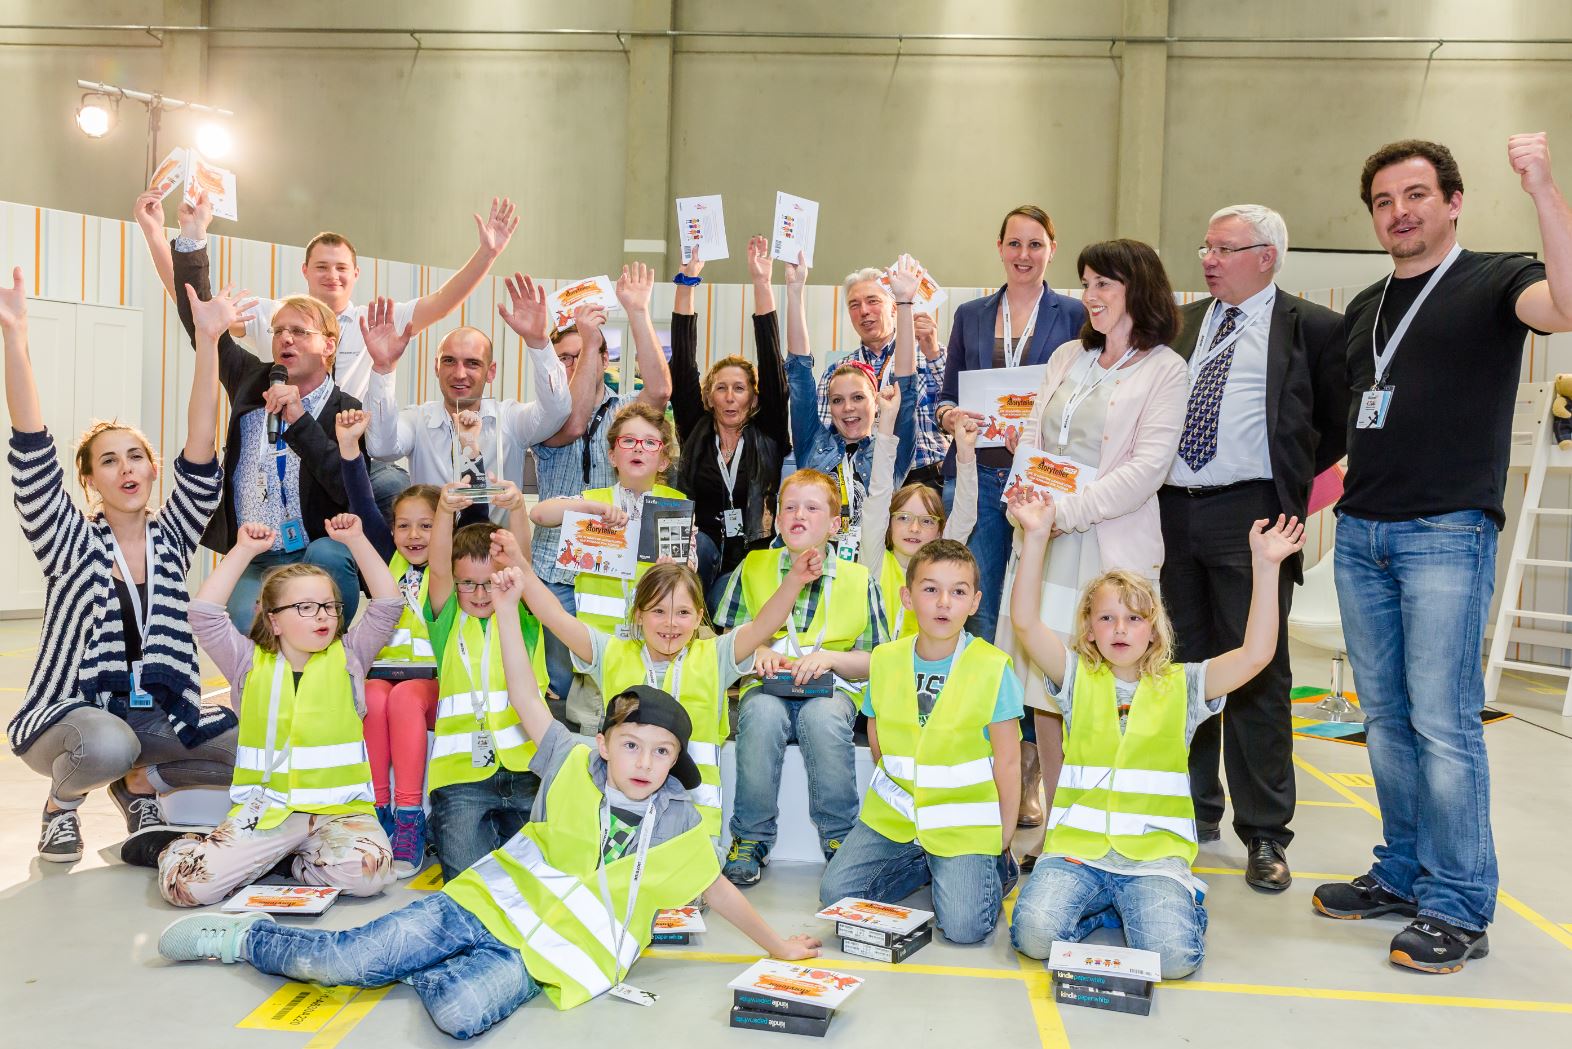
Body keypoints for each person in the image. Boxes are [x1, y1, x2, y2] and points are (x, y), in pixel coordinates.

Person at [157, 574, 822, 1041]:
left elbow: (717, 888)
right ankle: (242, 938)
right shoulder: (571, 763)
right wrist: (507, 611)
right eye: (631, 744)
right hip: (485, 904)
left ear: (675, 762)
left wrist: (779, 946)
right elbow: (527, 697)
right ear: (603, 743)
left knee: (459, 1014)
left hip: (540, 958)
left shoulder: (677, 822)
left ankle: (416, 959)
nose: (644, 762)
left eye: (661, 752)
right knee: (343, 963)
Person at [1312, 134, 1572, 974]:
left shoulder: (1497, 279)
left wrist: (1542, 187)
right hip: (1362, 534)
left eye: (1416, 195)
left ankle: (1458, 904)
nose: (1399, 212)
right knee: (1385, 720)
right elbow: (1353, 422)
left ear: (1454, 202)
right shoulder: (1366, 306)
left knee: (1443, 722)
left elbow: (1567, 306)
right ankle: (1403, 871)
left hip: (1446, 534)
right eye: (1384, 201)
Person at [1007, 494, 1304, 978]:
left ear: (1154, 630)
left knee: (1174, 959)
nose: (1120, 629)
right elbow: (1025, 622)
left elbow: (1255, 655)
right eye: (1107, 618)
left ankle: (1161, 905)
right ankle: (1108, 913)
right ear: (1089, 630)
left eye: (1134, 618)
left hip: (1154, 862)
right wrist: (1036, 536)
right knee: (1034, 937)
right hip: (1076, 855)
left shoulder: (1184, 685)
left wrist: (1266, 567)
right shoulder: (1076, 677)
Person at [3, 267, 237, 864]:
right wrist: (15, 336)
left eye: (136, 456)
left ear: (153, 468)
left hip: (152, 710)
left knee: (246, 745)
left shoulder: (172, 537)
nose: (126, 467)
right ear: (90, 480)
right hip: (72, 716)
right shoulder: (68, 540)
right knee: (109, 745)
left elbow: (202, 446)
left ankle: (139, 786)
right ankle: (61, 806)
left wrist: (208, 342)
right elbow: (31, 451)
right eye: (108, 461)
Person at [1160, 205, 1350, 893]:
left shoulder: (1314, 328)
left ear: (1266, 256)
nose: (1208, 259)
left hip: (1254, 513)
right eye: (1205, 247)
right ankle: (1191, 810)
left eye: (1224, 249)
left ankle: (1265, 832)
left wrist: (1280, 480)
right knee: (1178, 664)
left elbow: (1332, 426)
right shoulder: (1181, 323)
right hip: (1170, 511)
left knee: (1257, 673)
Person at [135, 192, 521, 516]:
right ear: (305, 271)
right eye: (321, 266)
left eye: (341, 268)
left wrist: (487, 255)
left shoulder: (376, 322)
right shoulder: (274, 313)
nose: (331, 275)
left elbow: (441, 301)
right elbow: (199, 313)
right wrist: (158, 234)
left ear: (355, 274)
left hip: (349, 454)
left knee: (397, 489)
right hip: (283, 448)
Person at [1005, 239, 1187, 828]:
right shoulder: (1067, 357)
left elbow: (1146, 470)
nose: (1090, 296)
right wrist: (1024, 501)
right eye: (1086, 284)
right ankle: (1061, 826)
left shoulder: (1165, 368)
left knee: (1104, 691)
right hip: (1045, 544)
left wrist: (1063, 513)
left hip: (1106, 548)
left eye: (1103, 284)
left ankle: (1102, 822)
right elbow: (1032, 438)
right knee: (1047, 688)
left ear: (1139, 288)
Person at [159, 515, 401, 906]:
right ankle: (181, 848)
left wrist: (357, 540)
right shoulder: (246, 662)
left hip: (340, 813)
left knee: (371, 874)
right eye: (305, 607)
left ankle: (291, 862)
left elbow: (388, 605)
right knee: (187, 888)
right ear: (274, 620)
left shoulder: (351, 656)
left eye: (329, 606)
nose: (322, 615)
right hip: (267, 812)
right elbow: (204, 612)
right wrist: (243, 550)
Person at [517, 547, 826, 838]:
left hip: (693, 826)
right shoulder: (610, 653)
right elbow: (556, 617)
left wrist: (794, 580)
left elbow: (763, 626)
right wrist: (520, 566)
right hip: (620, 821)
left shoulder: (715, 656)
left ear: (698, 616)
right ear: (638, 614)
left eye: (683, 612)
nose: (670, 623)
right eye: (658, 610)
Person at [820, 539, 1022, 944]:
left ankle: (992, 868)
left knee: (963, 929)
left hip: (964, 825)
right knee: (836, 897)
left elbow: (1008, 760)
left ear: (974, 602)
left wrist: (1004, 833)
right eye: (931, 589)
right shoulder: (885, 659)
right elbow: (877, 736)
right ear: (907, 598)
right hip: (896, 820)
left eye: (958, 592)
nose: (943, 602)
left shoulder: (993, 667)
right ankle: (928, 862)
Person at [167, 222, 364, 632]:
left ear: (328, 345)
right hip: (255, 553)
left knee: (328, 561)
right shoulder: (251, 378)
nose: (285, 339)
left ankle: (329, 657)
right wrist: (192, 237)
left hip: (314, 551)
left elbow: (349, 490)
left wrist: (300, 421)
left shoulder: (345, 409)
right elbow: (201, 322)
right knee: (248, 626)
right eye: (278, 331)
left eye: (299, 331)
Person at [714, 469, 887, 886]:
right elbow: (726, 640)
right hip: (766, 685)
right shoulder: (752, 567)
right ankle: (750, 838)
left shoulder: (859, 578)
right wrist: (758, 652)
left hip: (833, 689)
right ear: (776, 520)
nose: (799, 515)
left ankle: (840, 838)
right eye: (790, 507)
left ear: (834, 524)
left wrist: (831, 659)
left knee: (822, 720)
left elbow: (877, 660)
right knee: (760, 718)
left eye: (812, 508)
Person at [936, 205, 1087, 647]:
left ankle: (1026, 695)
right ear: (1000, 247)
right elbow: (947, 395)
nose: (1024, 254)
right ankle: (983, 690)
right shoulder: (970, 315)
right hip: (976, 476)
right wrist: (950, 416)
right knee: (976, 603)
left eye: (1035, 245)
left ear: (1052, 250)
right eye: (1015, 244)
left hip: (1039, 478)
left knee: (1035, 603)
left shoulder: (1076, 315)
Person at [530, 264, 671, 704]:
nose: (574, 364)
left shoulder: (625, 411)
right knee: (564, 689)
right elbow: (572, 421)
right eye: (564, 358)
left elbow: (659, 392)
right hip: (556, 569)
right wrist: (589, 340)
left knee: (613, 687)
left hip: (614, 571)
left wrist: (637, 311)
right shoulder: (544, 415)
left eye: (584, 353)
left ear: (606, 360)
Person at [361, 272, 571, 520]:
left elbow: (557, 411)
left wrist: (539, 342)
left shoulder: (510, 419)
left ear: (490, 372)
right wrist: (383, 368)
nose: (459, 374)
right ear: (436, 367)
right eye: (449, 361)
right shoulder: (417, 420)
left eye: (472, 363)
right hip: (431, 543)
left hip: (495, 542)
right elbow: (381, 448)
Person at [421, 479, 550, 881]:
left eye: (490, 583)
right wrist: (444, 511)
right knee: (466, 882)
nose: (480, 594)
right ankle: (441, 828)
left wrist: (517, 510)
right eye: (468, 584)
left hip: (527, 771)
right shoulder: (446, 623)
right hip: (461, 779)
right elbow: (438, 567)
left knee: (539, 878)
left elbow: (522, 562)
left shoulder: (520, 617)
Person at [335, 408, 440, 876]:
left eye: (426, 525)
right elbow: (362, 501)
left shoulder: (450, 568)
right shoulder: (386, 559)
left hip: (431, 685)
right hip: (383, 674)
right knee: (373, 699)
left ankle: (410, 815)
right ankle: (378, 811)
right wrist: (349, 448)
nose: (413, 535)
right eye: (403, 526)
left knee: (402, 701)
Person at [670, 236, 791, 606]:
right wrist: (687, 283)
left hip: (753, 553)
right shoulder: (696, 428)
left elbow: (771, 358)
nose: (729, 396)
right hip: (701, 552)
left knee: (726, 604)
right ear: (708, 397)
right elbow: (682, 361)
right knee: (695, 561)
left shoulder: (768, 430)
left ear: (753, 397)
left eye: (739, 388)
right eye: (720, 388)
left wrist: (762, 282)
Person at [787, 253, 920, 560]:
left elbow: (907, 387)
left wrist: (904, 304)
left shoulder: (890, 452)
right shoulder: (812, 444)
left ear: (877, 402)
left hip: (869, 568)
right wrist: (794, 291)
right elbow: (799, 372)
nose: (847, 408)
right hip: (813, 565)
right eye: (837, 400)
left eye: (858, 398)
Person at [530, 403, 687, 648]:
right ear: (612, 456)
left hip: (654, 641)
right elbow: (539, 515)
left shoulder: (676, 507)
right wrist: (589, 508)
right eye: (628, 441)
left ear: (664, 461)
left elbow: (689, 571)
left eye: (649, 442)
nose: (638, 447)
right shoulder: (595, 502)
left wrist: (672, 571)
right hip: (597, 640)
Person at [811, 262, 949, 490]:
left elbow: (956, 408)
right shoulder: (837, 372)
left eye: (872, 300)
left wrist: (934, 354)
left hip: (928, 479)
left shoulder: (928, 352)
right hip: (867, 483)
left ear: (894, 307)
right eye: (854, 305)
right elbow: (826, 436)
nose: (864, 311)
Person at [858, 383, 980, 639]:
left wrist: (966, 451)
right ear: (888, 524)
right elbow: (879, 493)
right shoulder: (874, 560)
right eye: (903, 518)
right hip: (874, 661)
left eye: (926, 521)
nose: (914, 528)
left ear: (940, 532)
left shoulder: (940, 566)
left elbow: (965, 515)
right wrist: (887, 421)